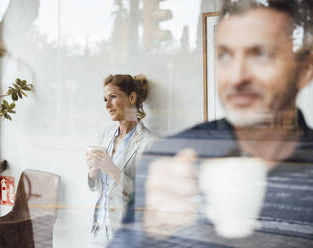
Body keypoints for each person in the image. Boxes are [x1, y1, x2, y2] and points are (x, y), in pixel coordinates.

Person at [108, 0, 313, 247]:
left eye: (261, 54)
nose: (237, 77)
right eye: (225, 56)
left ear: (305, 69)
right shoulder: (171, 157)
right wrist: (149, 230)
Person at [85, 74, 155, 245]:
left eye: (113, 97)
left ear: (131, 98)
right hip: (99, 229)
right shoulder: (104, 134)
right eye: (105, 99)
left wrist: (112, 170)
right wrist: (93, 171)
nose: (107, 105)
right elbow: (97, 188)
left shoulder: (149, 143)